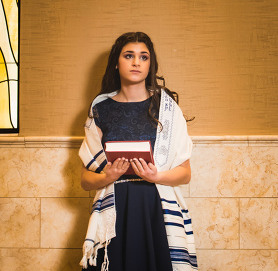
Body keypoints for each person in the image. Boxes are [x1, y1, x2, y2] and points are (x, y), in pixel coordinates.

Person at [79, 31, 198, 271]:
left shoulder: (166, 108)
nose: (136, 62)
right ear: (116, 62)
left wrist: (156, 176)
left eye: (144, 57)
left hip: (154, 206)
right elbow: (85, 180)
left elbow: (185, 174)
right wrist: (107, 176)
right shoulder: (100, 109)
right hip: (115, 207)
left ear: (150, 64)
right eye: (129, 56)